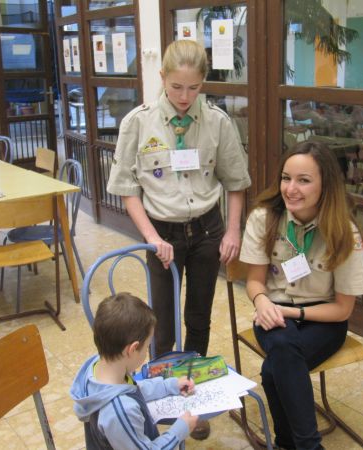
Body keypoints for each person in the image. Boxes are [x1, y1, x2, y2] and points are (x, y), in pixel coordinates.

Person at [106, 39, 250, 439]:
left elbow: (235, 183)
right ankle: (162, 403)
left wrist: (233, 229)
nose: (185, 98)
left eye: (194, 88)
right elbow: (127, 188)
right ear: (162, 78)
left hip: (207, 231)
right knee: (162, 325)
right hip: (162, 234)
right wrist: (152, 237)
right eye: (176, 88)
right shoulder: (138, 121)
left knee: (199, 318)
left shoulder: (219, 122)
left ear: (204, 82)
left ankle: (195, 400)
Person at [239, 141, 363, 450]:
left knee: (275, 369)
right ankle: (310, 446)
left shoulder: (344, 231)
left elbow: (342, 310)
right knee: (282, 347)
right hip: (273, 312)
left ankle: (287, 442)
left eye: (304, 180)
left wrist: (294, 314)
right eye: (286, 178)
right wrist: (262, 302)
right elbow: (255, 283)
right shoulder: (264, 218)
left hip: (323, 320)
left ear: (326, 185)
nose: (291, 189)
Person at [70, 292, 198, 449]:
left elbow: (132, 388)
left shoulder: (99, 368)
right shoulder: (121, 411)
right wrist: (179, 431)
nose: (146, 352)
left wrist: (169, 386)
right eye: (146, 347)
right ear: (132, 349)